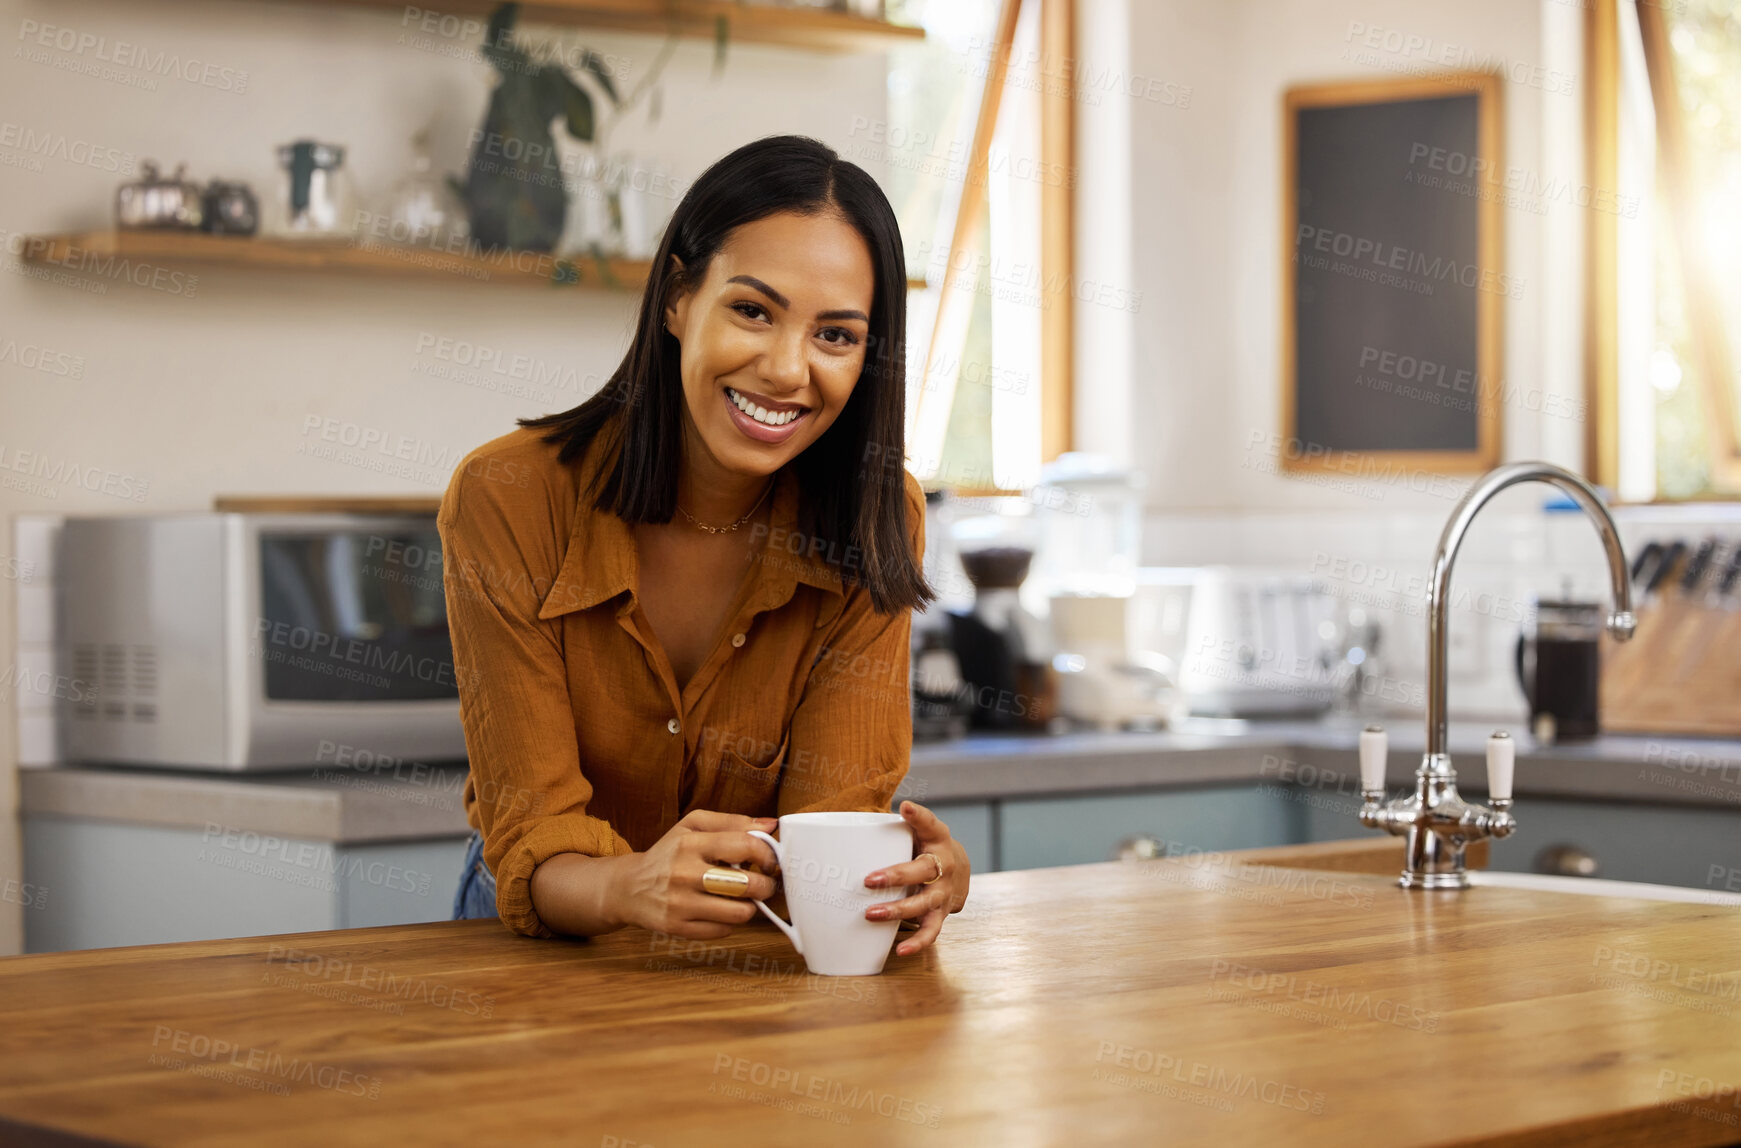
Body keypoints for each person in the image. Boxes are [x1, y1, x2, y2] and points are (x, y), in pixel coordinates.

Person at [441, 134, 971, 958]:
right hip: (546, 944)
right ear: (678, 298)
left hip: (747, 953)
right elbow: (532, 833)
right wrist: (628, 885)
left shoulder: (874, 515)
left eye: (835, 335)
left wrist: (900, 880)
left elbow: (826, 829)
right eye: (752, 311)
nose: (788, 369)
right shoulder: (509, 497)